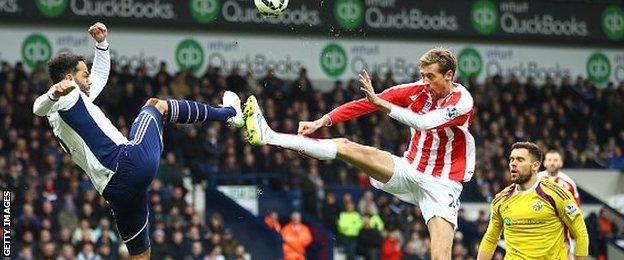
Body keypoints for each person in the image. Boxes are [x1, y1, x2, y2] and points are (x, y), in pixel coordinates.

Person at [32, 23, 244, 259]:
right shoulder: (66, 96)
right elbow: (37, 107)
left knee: (140, 255)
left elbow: (99, 76)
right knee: (155, 105)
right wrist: (53, 92)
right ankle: (229, 114)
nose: (89, 78)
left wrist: (102, 45)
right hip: (127, 164)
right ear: (69, 78)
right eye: (85, 74)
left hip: (113, 191)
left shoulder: (70, 102)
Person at [244, 47, 475, 259]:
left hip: (442, 184)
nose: (424, 82)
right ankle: (270, 136)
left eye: (431, 76)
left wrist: (384, 105)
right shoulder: (414, 91)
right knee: (345, 146)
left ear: (449, 75)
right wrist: (322, 121)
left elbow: (424, 122)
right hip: (409, 168)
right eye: (422, 75)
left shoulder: (462, 101)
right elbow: (365, 104)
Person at [477, 142, 589, 260]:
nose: (513, 164)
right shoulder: (500, 199)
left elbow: (580, 233)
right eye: (512, 159)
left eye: (520, 160)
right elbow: (490, 238)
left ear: (535, 166)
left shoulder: (557, 194)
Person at [538, 149, 582, 259]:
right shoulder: (536, 180)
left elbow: (575, 209)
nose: (552, 162)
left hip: (562, 235)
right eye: (549, 160)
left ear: (561, 163)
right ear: (544, 163)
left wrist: (574, 232)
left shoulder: (569, 183)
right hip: (539, 232)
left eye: (555, 160)